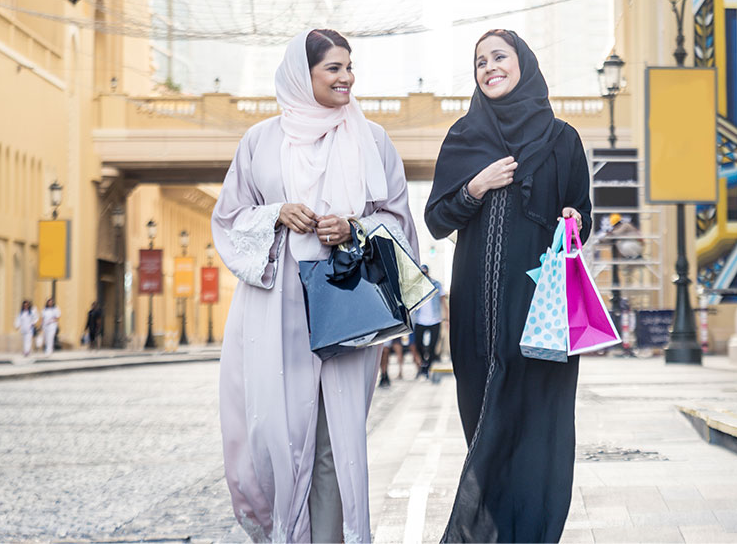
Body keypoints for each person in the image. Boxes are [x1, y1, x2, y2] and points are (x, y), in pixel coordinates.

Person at [212, 28, 419, 543]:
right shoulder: (260, 141)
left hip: (346, 307)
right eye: (333, 68)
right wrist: (275, 214)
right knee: (271, 437)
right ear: (301, 76)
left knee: (335, 441)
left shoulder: (373, 140)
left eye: (350, 67)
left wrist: (353, 228)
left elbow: (399, 220)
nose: (347, 77)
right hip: (273, 310)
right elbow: (228, 219)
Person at [425, 29, 591, 543]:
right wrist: (475, 187)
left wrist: (573, 218)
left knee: (539, 429)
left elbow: (583, 211)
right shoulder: (463, 137)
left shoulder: (562, 139)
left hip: (541, 311)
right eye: (480, 62)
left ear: (524, 64)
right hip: (477, 315)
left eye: (500, 57)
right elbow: (435, 219)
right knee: (484, 426)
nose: (489, 67)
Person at [413, 265, 448, 378]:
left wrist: (447, 319)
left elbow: (443, 302)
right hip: (420, 320)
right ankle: (423, 362)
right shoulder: (416, 286)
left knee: (433, 346)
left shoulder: (436, 285)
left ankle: (427, 368)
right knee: (418, 345)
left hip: (435, 320)